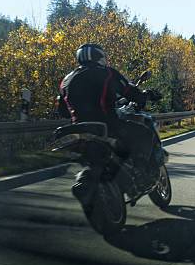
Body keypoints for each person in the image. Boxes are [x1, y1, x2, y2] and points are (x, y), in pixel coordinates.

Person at [57, 43, 158, 205]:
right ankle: (141, 174)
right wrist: (143, 97)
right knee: (145, 133)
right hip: (107, 124)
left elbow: (62, 110)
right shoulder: (106, 73)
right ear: (99, 57)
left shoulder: (65, 80)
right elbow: (129, 92)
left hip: (78, 128)